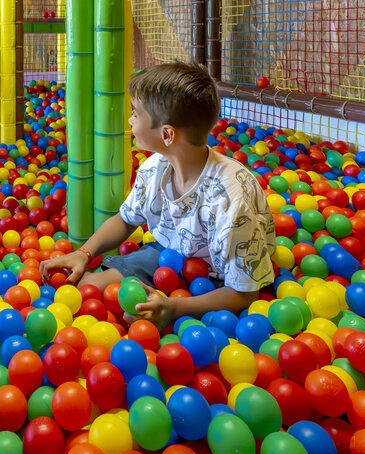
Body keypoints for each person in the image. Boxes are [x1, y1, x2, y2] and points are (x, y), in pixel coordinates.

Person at [39, 61, 275, 328]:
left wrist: (173, 307)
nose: (130, 120)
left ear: (167, 134)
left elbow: (245, 292)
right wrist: (84, 253)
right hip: (168, 255)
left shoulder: (228, 197)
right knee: (88, 289)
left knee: (139, 321)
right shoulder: (155, 167)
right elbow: (126, 219)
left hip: (219, 277)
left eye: (136, 113)